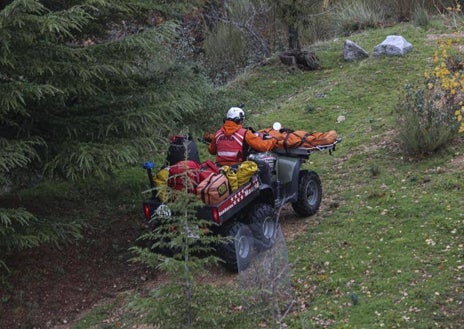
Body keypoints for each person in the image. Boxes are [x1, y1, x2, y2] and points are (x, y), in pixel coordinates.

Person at [208, 107, 277, 166]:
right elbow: (263, 146)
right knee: (264, 166)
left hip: (220, 167)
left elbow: (212, 150)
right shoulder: (244, 133)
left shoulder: (218, 133)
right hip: (238, 167)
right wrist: (274, 140)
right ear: (239, 120)